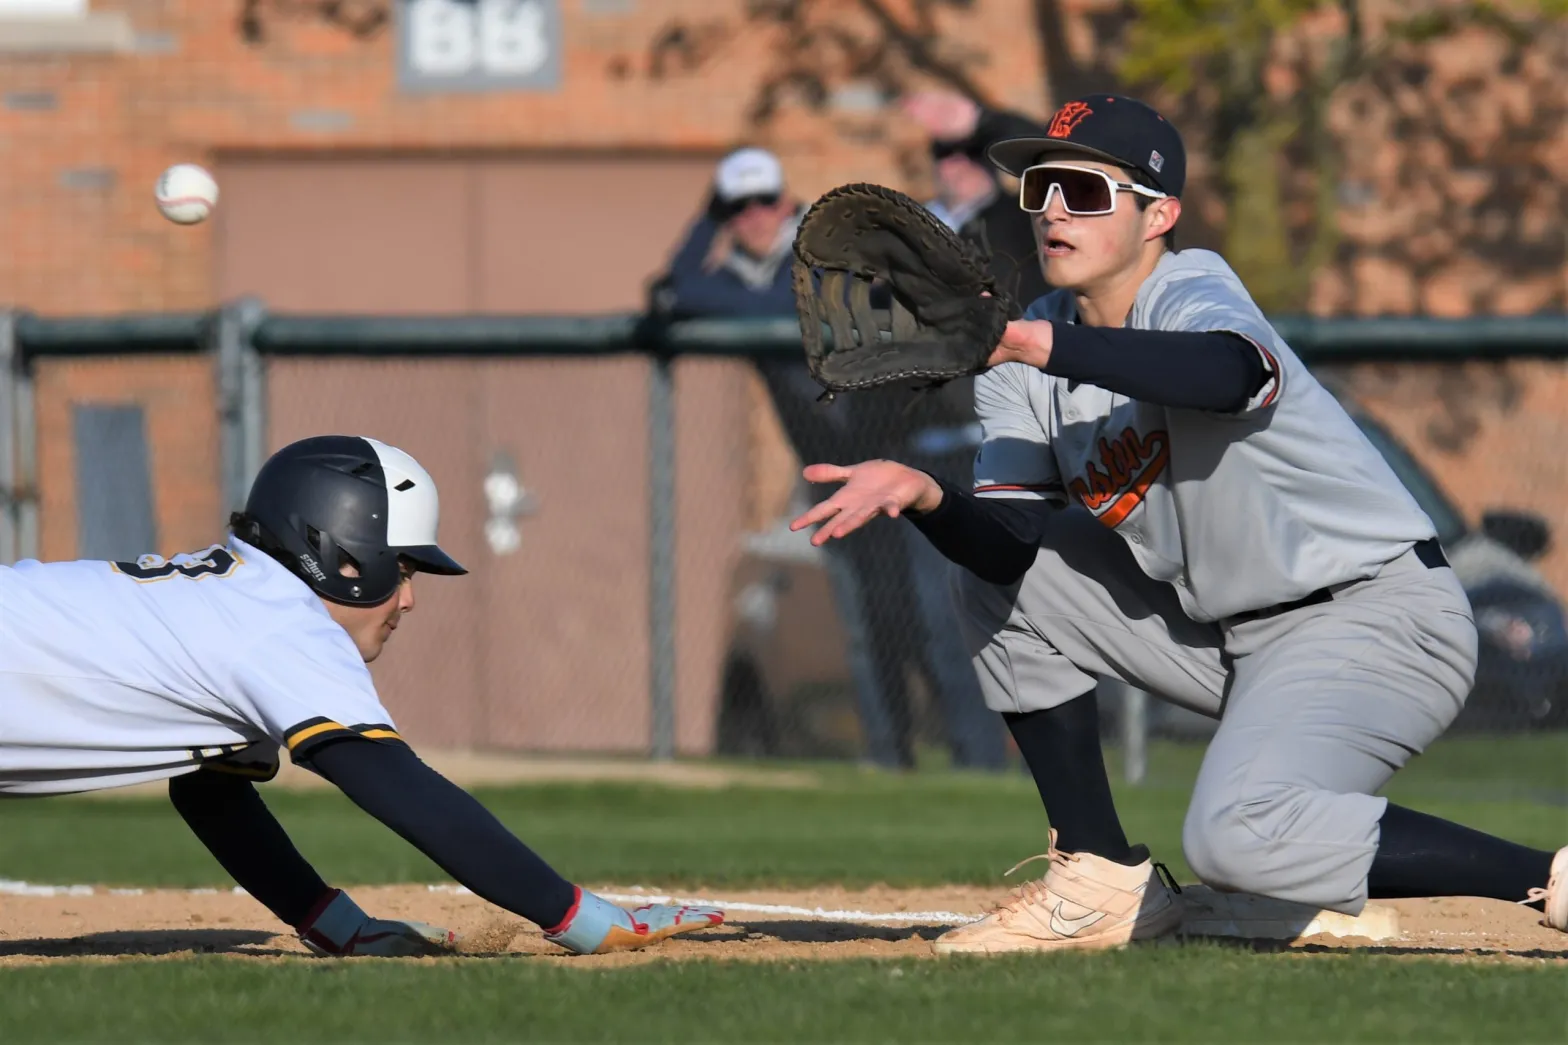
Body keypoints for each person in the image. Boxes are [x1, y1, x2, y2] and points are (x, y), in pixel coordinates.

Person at [790, 93, 1567, 952]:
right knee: (994, 577)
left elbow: (1229, 373)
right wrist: (928, 497)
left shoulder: (1188, 287)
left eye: (1085, 192)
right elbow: (1011, 545)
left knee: (1235, 834)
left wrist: (1026, 345)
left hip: (1379, 619)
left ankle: (1548, 877)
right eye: (1042, 186)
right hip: (1233, 640)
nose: (1053, 207)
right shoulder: (1023, 350)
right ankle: (1100, 879)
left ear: (1159, 214)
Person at [0, 435, 723, 956]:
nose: (408, 599)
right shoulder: (284, 623)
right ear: (343, 556)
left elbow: (211, 794)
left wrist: (332, 920)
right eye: (401, 568)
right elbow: (398, 786)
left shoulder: (239, 602)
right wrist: (583, 917)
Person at [650, 149, 1006, 770]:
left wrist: (717, 299)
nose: (754, 216)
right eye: (736, 207)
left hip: (908, 463)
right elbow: (674, 288)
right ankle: (890, 764)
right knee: (869, 632)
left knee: (937, 622)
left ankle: (980, 765)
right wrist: (705, 221)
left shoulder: (817, 252)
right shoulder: (736, 279)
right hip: (833, 477)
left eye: (764, 201)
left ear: (785, 201)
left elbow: (799, 306)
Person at [903, 90, 1051, 308]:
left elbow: (1048, 165)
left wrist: (981, 121)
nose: (959, 163)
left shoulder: (1024, 215)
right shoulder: (907, 223)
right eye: (945, 153)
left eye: (973, 154)